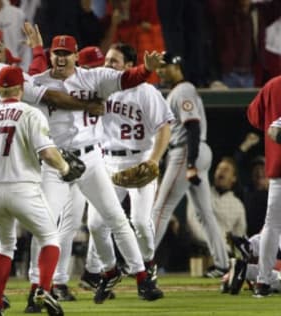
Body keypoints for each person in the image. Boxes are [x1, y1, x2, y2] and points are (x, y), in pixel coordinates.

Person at [0, 28, 104, 307]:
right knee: (18, 230)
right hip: (3, 166)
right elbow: (47, 100)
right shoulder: (24, 108)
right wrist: (85, 108)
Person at [26, 34, 165, 310]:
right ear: (51, 55)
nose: (61, 58)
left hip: (90, 158)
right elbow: (54, 97)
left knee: (116, 218)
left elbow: (127, 79)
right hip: (56, 161)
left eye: (66, 53)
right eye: (57, 53)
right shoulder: (39, 81)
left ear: (77, 55)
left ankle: (142, 278)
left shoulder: (93, 77)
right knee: (44, 225)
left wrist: (146, 70)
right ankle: (37, 288)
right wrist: (87, 105)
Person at [0, 65, 75, 316]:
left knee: (4, 245)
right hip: (23, 188)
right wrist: (64, 168)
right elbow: (48, 153)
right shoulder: (30, 113)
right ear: (21, 87)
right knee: (50, 238)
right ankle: (43, 289)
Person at [81, 43, 173, 301]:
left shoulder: (145, 92)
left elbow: (164, 128)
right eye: (107, 60)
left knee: (141, 222)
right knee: (96, 224)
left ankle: (148, 267)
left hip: (139, 159)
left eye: (114, 61)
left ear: (130, 66)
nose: (107, 65)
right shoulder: (101, 88)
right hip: (107, 162)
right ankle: (109, 273)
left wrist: (154, 160)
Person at [152, 53, 230, 278]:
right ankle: (223, 264)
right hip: (195, 150)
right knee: (204, 212)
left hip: (187, 150)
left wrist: (192, 163)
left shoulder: (183, 90)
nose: (160, 71)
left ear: (177, 67)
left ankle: (140, 262)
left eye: (164, 67)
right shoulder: (181, 91)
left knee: (162, 208)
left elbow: (192, 126)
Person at [246, 75, 281, 297]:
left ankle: (262, 279)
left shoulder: (272, 85)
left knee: (272, 224)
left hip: (278, 166)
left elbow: (255, 117)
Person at [187, 157, 247, 252]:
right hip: (200, 251)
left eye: (226, 170)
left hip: (226, 255)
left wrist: (228, 250)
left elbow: (239, 236)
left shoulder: (238, 205)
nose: (221, 171)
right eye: (219, 168)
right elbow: (192, 222)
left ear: (234, 178)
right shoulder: (200, 193)